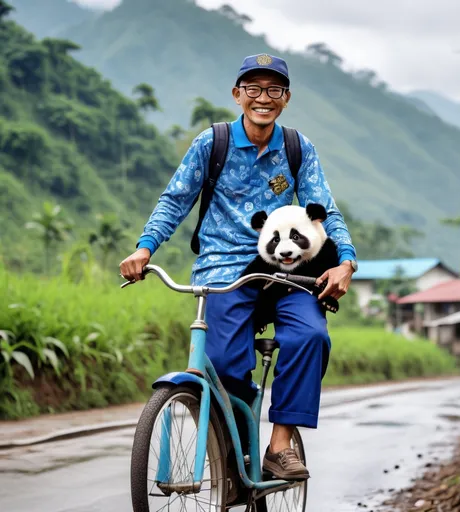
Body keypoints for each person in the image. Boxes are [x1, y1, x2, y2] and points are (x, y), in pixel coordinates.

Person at [120, 53, 357, 480]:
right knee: (224, 366)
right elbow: (175, 200)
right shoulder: (212, 144)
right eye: (253, 89)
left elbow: (328, 213)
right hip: (223, 272)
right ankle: (235, 438)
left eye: (272, 90)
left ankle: (280, 445)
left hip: (286, 271)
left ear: (285, 98)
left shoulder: (297, 148)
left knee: (311, 336)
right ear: (237, 95)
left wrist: (346, 262)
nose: (262, 98)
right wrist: (144, 248)